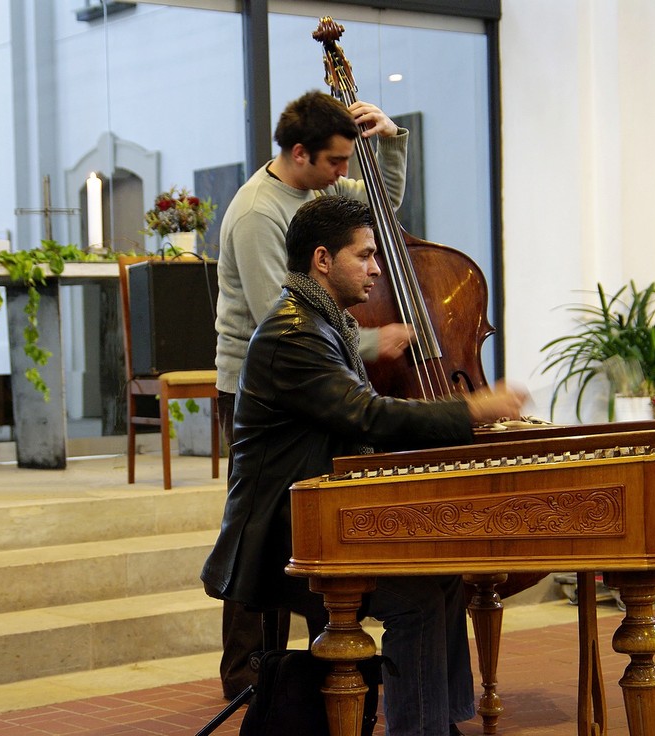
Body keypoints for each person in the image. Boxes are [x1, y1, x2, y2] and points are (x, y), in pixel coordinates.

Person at [202, 196, 529, 736]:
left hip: (326, 517)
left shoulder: (323, 322)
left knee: (443, 579)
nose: (378, 268)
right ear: (323, 260)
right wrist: (470, 408)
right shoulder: (294, 333)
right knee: (419, 598)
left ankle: (439, 724)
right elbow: (365, 414)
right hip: (285, 534)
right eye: (366, 255)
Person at [213, 89, 413, 698]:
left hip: (320, 366)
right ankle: (248, 672)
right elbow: (286, 305)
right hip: (263, 380)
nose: (344, 176)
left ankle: (307, 671)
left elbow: (381, 204)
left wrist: (393, 139)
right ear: (300, 154)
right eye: (335, 164)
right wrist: (375, 344)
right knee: (261, 526)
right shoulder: (257, 213)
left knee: (312, 523)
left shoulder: (321, 189)